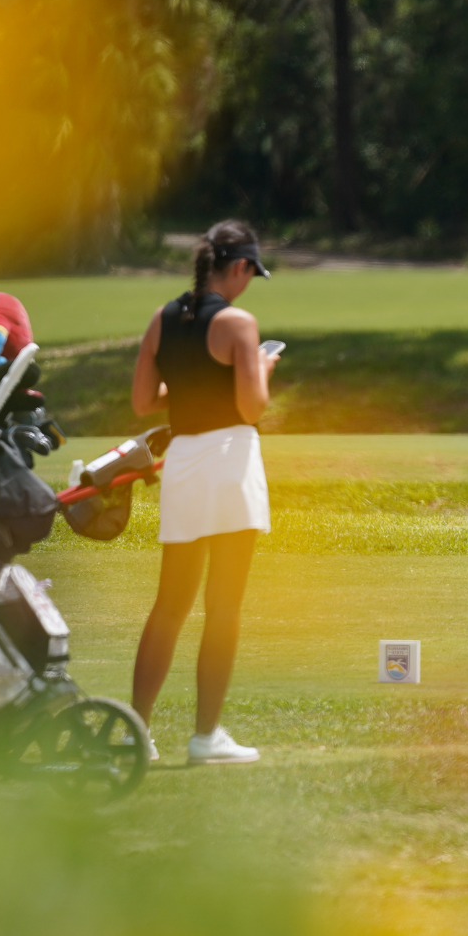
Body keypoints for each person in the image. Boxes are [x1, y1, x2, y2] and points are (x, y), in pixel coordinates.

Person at [127, 220, 277, 765]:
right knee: (223, 605)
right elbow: (252, 407)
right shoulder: (240, 323)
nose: (248, 285)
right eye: (250, 275)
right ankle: (205, 737)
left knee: (170, 604)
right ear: (238, 267)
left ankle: (136, 732)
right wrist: (259, 366)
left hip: (185, 464)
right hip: (232, 460)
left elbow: (145, 400)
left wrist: (192, 382)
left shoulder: (162, 318)